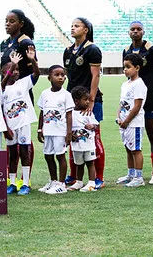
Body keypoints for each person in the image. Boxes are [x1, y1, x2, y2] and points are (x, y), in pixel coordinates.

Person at [63, 17, 105, 189]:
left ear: (86, 30)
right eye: (72, 25)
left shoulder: (92, 49)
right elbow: (69, 76)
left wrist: (91, 101)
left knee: (94, 139)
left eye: (77, 26)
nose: (72, 28)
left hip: (90, 101)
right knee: (74, 137)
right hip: (72, 102)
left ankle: (98, 178)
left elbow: (95, 76)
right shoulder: (67, 50)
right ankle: (75, 176)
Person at [122, 21, 153, 184]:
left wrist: (152, 91)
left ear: (143, 32)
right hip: (133, 101)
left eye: (138, 29)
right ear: (129, 32)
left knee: (152, 133)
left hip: (150, 100)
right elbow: (127, 74)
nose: (135, 32)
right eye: (132, 29)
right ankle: (132, 173)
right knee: (129, 135)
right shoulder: (126, 51)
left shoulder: (152, 49)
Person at [0, 9, 38, 187]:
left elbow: (32, 72)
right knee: (10, 136)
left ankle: (25, 178)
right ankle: (11, 177)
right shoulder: (4, 43)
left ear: (21, 23)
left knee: (23, 138)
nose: (8, 24)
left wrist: (21, 87)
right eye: (6, 21)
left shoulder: (25, 42)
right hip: (7, 94)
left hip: (21, 92)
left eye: (12, 21)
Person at [2, 47, 40, 195]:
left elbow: (36, 74)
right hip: (11, 127)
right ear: (4, 72)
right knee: (12, 154)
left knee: (24, 152)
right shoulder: (1, 89)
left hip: (23, 124)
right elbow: (0, 111)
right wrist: (6, 128)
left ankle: (25, 183)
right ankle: (12, 183)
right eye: (12, 69)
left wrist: (32, 60)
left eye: (17, 69)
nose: (15, 72)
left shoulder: (23, 83)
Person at [37, 65, 74, 195]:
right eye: (56, 75)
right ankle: (53, 181)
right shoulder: (44, 93)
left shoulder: (66, 95)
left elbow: (69, 114)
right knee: (48, 156)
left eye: (62, 75)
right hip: (48, 131)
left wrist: (69, 132)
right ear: (49, 78)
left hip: (60, 131)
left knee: (60, 156)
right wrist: (39, 129)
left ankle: (61, 184)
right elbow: (42, 112)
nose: (60, 78)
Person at [115, 53, 147, 188]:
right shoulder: (125, 84)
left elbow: (137, 106)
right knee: (128, 148)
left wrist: (127, 121)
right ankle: (131, 174)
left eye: (128, 67)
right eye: (124, 67)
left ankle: (139, 177)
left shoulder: (139, 84)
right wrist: (119, 117)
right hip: (124, 123)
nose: (125, 70)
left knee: (136, 149)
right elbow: (122, 103)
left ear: (137, 68)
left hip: (134, 123)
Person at [70, 86, 100, 192]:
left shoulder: (88, 113)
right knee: (79, 164)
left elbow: (96, 125)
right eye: (85, 99)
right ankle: (79, 182)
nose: (88, 102)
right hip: (77, 145)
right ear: (76, 101)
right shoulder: (71, 113)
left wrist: (92, 126)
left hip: (88, 144)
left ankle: (92, 183)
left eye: (88, 99)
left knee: (90, 163)